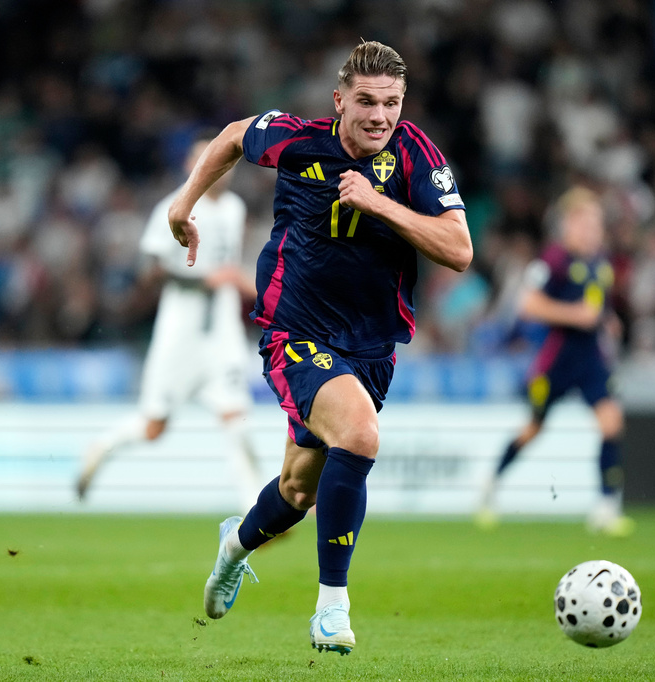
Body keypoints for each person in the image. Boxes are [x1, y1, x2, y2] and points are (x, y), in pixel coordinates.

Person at [167, 41, 472, 655]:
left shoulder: (417, 154)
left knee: (298, 492)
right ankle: (332, 607)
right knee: (359, 436)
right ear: (340, 101)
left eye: (391, 103)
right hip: (294, 334)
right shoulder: (296, 139)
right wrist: (183, 205)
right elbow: (230, 135)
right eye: (366, 102)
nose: (379, 116)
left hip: (372, 346)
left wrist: (378, 203)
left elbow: (459, 249)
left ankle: (235, 546)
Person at [75, 135, 262, 511]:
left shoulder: (234, 208)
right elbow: (150, 270)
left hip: (222, 330)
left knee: (236, 418)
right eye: (205, 159)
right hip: (180, 331)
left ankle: (256, 511)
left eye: (224, 160)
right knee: (153, 427)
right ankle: (103, 446)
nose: (217, 168)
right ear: (189, 165)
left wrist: (236, 280)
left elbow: (229, 268)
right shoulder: (174, 206)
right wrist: (206, 278)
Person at [476, 186, 634, 537]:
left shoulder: (600, 264)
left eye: (596, 223)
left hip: (592, 358)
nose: (592, 230)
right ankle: (491, 484)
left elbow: (596, 308)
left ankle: (607, 508)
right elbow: (527, 305)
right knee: (533, 429)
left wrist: (607, 319)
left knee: (611, 422)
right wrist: (574, 315)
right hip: (557, 360)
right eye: (586, 222)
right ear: (569, 224)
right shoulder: (552, 260)